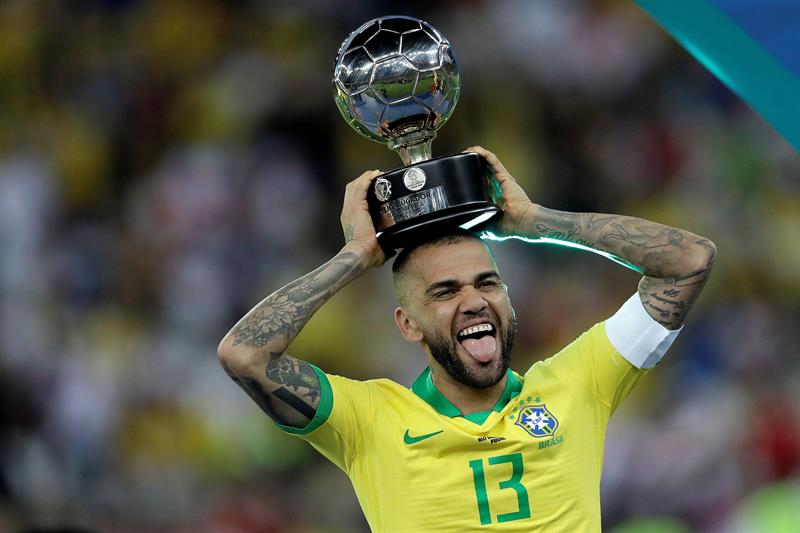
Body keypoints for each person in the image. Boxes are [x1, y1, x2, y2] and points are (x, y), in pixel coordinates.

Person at [217, 146, 716, 532]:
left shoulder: (577, 382)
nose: (474, 300)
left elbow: (689, 261)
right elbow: (244, 355)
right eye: (445, 291)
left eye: (488, 283)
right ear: (407, 324)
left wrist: (535, 223)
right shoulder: (369, 420)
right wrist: (356, 256)